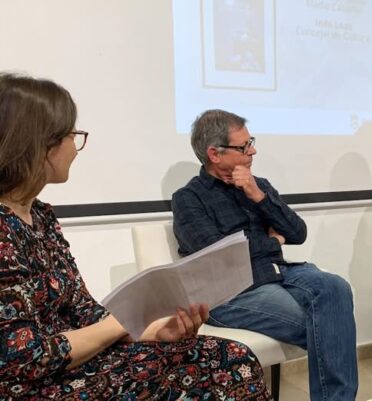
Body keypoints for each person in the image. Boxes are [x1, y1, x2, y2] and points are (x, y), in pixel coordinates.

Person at [0, 73, 271, 400]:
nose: (77, 145)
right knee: (220, 368)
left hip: (74, 362)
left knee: (231, 356)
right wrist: (127, 322)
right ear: (40, 144)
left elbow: (86, 312)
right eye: (72, 134)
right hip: (39, 383)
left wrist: (157, 330)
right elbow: (22, 359)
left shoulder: (41, 216)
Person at [172, 109, 358, 401]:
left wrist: (258, 196)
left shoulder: (258, 186)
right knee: (329, 322)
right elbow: (221, 255)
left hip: (280, 273)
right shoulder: (188, 199)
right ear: (215, 154)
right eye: (244, 146)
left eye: (251, 141)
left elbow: (297, 233)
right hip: (232, 291)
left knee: (336, 287)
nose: (253, 150)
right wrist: (273, 241)